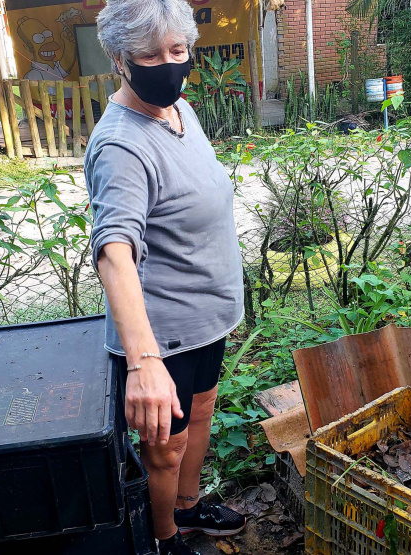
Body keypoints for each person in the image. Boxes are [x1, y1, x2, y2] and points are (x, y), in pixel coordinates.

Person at [85, 1, 245, 553]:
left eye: (178, 51)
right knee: (163, 449)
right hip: (164, 333)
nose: (169, 65)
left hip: (206, 318)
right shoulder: (121, 145)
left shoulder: (181, 111)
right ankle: (163, 538)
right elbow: (113, 251)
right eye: (150, 55)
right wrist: (144, 362)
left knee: (201, 412)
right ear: (119, 59)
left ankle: (189, 506)